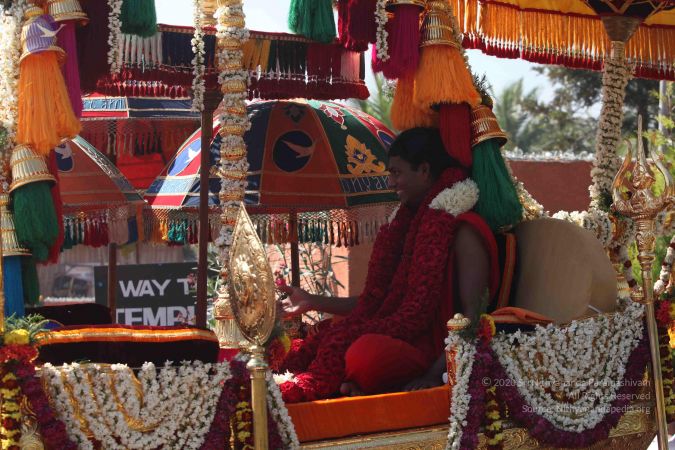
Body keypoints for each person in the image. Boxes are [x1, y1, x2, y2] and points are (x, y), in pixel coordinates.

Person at [277, 127, 499, 403]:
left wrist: (435, 374)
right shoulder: (406, 227)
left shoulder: (464, 229)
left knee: (365, 355)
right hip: (399, 339)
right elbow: (373, 305)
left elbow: (473, 316)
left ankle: (354, 381)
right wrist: (312, 301)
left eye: (396, 172)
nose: (391, 182)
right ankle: (353, 382)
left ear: (424, 170)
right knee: (327, 334)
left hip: (434, 353)